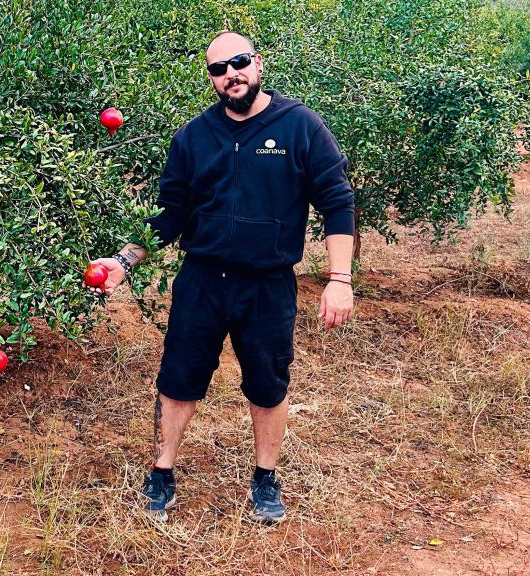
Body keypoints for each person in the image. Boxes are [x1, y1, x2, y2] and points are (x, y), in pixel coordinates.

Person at [89, 31, 355, 523]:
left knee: (268, 383)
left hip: (267, 283)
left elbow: (338, 203)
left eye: (238, 62)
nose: (230, 74)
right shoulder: (193, 136)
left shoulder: (301, 127)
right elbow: (167, 215)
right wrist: (123, 261)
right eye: (218, 68)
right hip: (203, 280)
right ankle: (162, 472)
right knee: (178, 378)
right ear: (212, 79)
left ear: (258, 63)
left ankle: (265, 477)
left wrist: (340, 278)